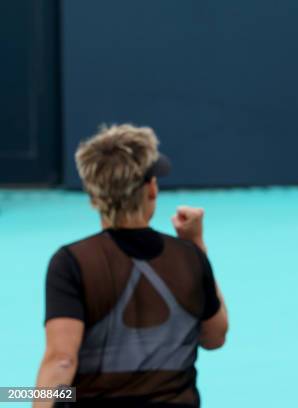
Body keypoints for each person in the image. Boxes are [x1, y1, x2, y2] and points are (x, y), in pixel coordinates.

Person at [34, 124, 228, 407]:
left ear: (94, 197)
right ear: (151, 189)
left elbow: (61, 361)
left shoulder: (71, 262)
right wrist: (196, 246)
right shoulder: (190, 257)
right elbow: (215, 337)